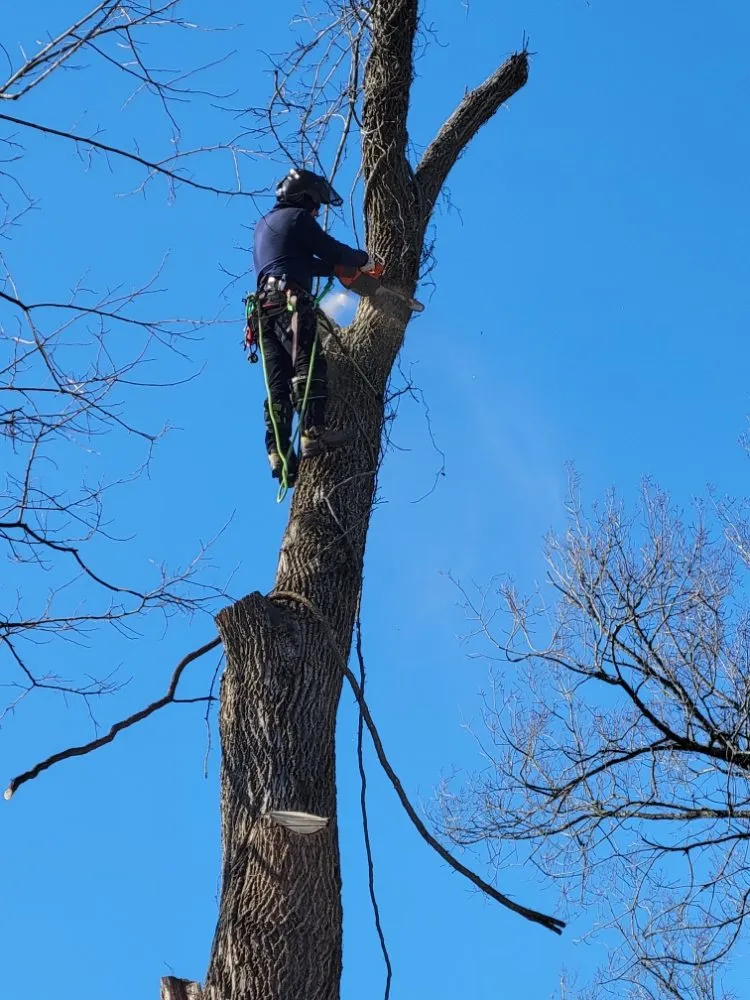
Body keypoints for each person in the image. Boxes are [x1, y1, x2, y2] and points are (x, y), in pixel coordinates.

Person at [252, 167, 372, 484]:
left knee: (278, 382)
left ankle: (278, 454)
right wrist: (364, 261)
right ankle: (313, 432)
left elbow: (300, 261)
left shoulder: (265, 225)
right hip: (291, 301)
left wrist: (335, 269)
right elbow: (330, 249)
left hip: (264, 310)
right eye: (315, 203)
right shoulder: (297, 219)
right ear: (303, 197)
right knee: (309, 363)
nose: (317, 210)